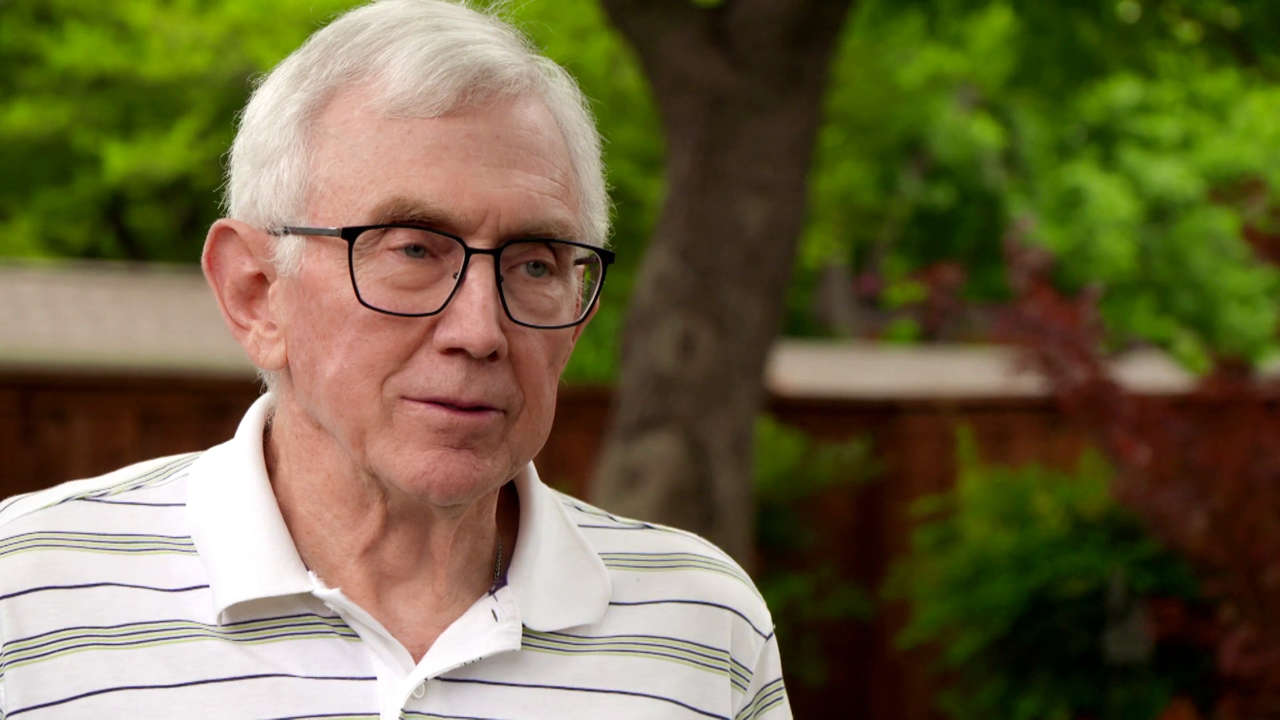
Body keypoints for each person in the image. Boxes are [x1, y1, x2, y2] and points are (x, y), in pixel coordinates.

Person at [0, 1, 788, 718]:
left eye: (535, 263)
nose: (479, 330)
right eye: (413, 249)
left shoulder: (701, 627)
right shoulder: (27, 596)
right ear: (256, 293)